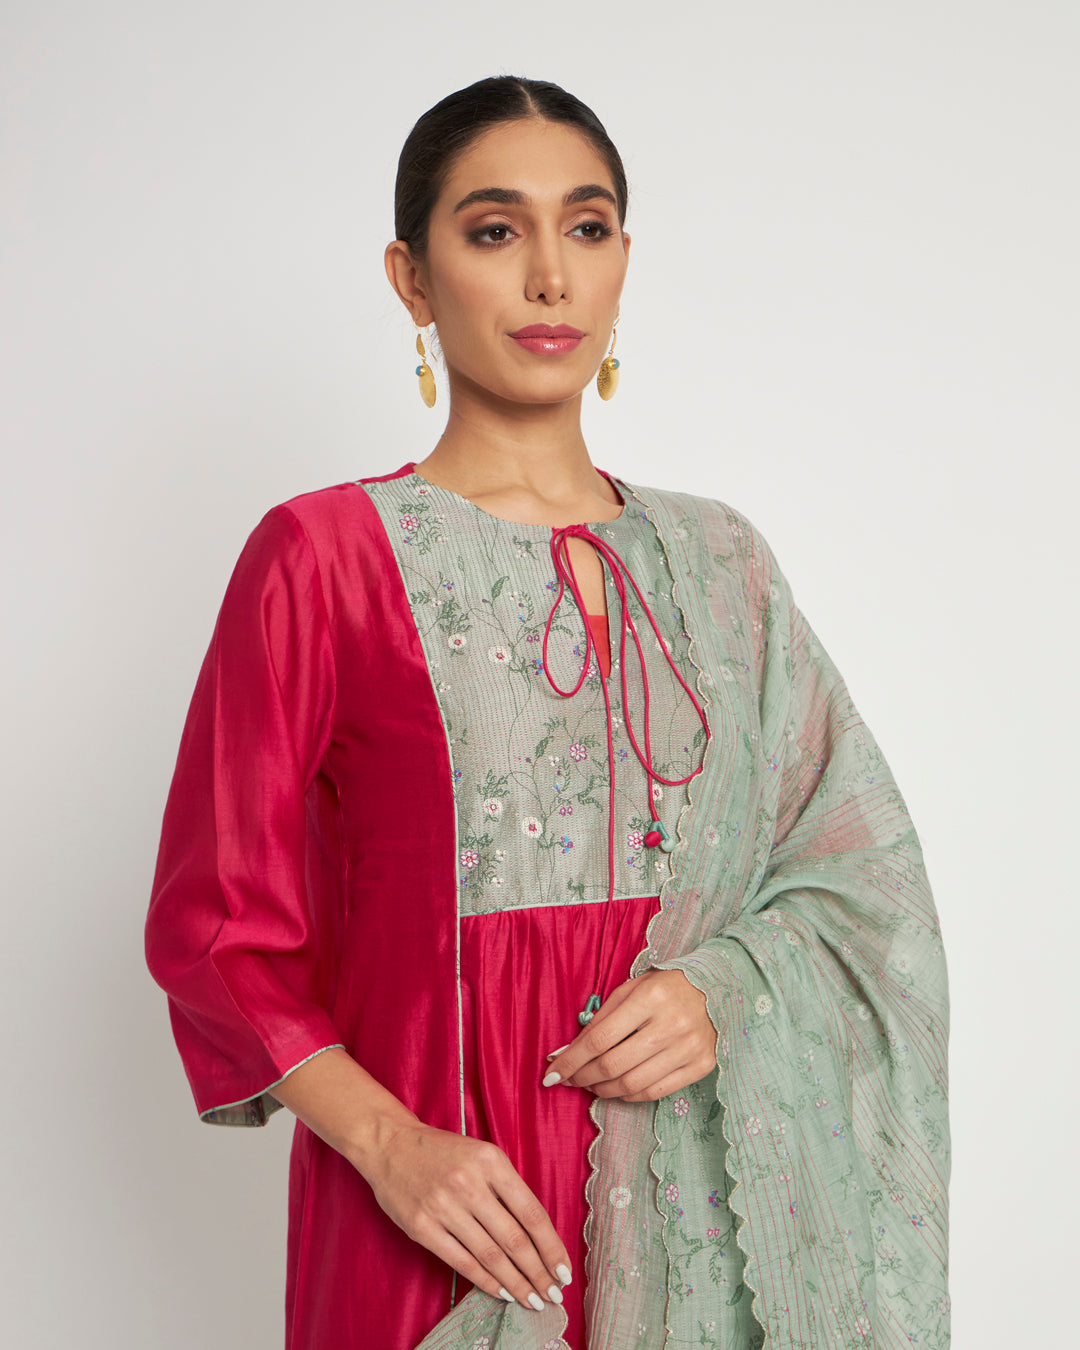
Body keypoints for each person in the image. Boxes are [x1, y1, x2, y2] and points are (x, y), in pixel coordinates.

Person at [145, 76, 951, 1350]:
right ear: (412, 279)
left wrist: (727, 988)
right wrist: (393, 1149)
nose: (548, 276)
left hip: (702, 1207)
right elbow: (217, 933)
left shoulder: (724, 562)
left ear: (624, 260)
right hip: (449, 1218)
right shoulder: (324, 558)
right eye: (493, 230)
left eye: (585, 227)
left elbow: (859, 869)